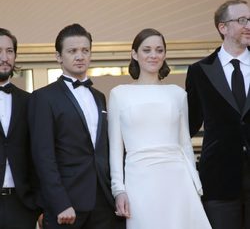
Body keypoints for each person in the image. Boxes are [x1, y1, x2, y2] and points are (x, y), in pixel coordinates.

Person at [108, 28, 212, 229]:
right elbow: (115, 148)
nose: (153, 55)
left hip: (178, 178)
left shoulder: (177, 94)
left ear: (165, 54)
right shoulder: (119, 94)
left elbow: (185, 144)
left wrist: (195, 184)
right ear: (134, 54)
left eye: (159, 50)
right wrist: (118, 189)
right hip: (139, 180)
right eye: (146, 50)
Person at [28, 23, 125, 229]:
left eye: (85, 50)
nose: (80, 56)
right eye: (72, 51)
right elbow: (43, 156)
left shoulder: (99, 97)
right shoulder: (43, 97)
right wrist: (60, 203)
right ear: (59, 57)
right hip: (67, 204)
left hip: (103, 202)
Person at [186, 0, 250, 229]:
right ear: (223, 27)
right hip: (218, 181)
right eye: (242, 20)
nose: (248, 25)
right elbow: (188, 126)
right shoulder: (199, 72)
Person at [0, 28, 40, 228]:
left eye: (9, 51)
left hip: (22, 205)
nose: (4, 57)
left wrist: (38, 205)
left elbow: (39, 153)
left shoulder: (29, 101)